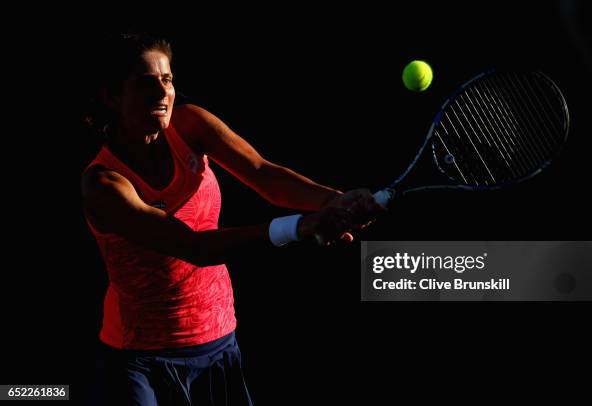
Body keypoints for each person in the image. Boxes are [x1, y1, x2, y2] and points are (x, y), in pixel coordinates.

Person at [81, 34, 382, 405]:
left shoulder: (189, 124)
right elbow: (194, 246)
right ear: (111, 97)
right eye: (146, 83)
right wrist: (300, 227)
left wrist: (336, 201)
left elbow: (263, 173)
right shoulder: (103, 184)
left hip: (219, 340)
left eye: (168, 79)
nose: (162, 92)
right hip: (139, 359)